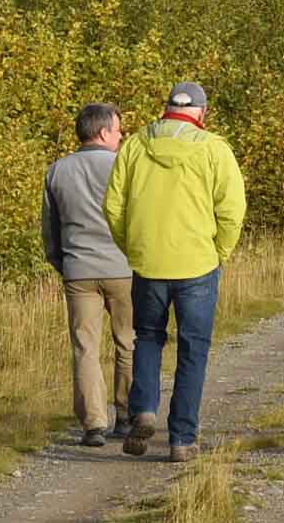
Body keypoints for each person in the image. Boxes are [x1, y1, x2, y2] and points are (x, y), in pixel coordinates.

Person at [102, 81, 248, 462]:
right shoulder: (214, 149)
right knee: (192, 349)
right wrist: (220, 252)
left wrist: (133, 247)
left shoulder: (134, 145)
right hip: (197, 264)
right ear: (201, 112)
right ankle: (181, 438)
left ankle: (145, 408)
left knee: (147, 337)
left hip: (148, 263)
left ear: (166, 108)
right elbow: (232, 210)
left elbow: (113, 206)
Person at [41, 100, 132, 447]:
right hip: (124, 267)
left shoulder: (58, 171)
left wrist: (63, 264)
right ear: (104, 130)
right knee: (129, 342)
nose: (122, 135)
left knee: (85, 347)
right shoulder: (125, 166)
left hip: (78, 269)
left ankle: (94, 423)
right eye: (119, 129)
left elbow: (50, 229)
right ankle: (126, 414)